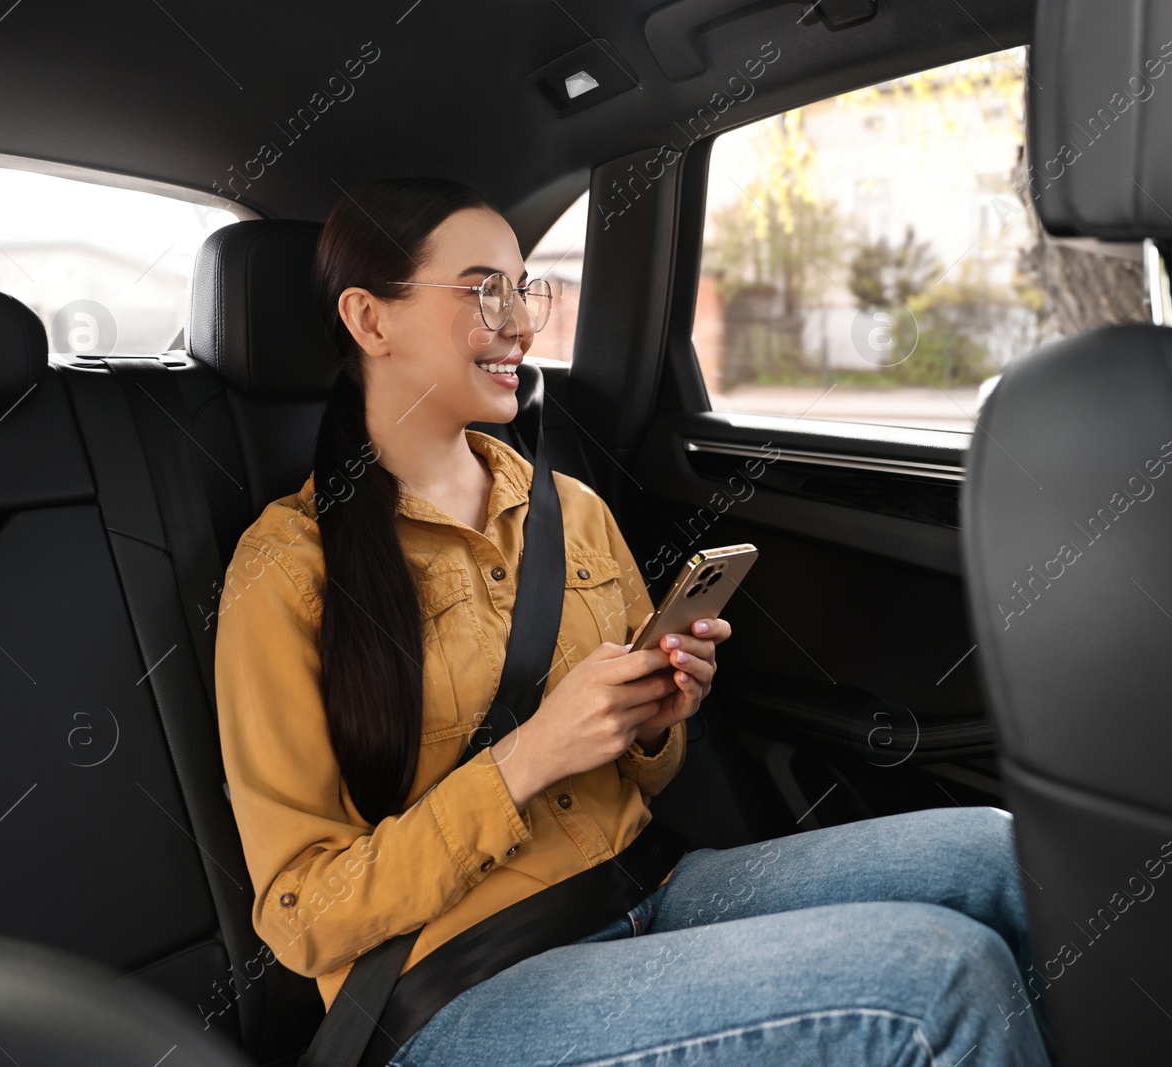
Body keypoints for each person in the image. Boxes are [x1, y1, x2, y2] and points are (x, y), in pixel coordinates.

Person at [212, 175, 1054, 1066]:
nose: (522, 322)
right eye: (482, 290)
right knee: (940, 977)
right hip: (461, 983)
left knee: (1006, 859)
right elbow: (303, 915)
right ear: (370, 321)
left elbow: (640, 781)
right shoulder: (288, 570)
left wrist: (654, 718)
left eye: (524, 287)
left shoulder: (568, 509)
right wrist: (529, 756)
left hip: (647, 884)